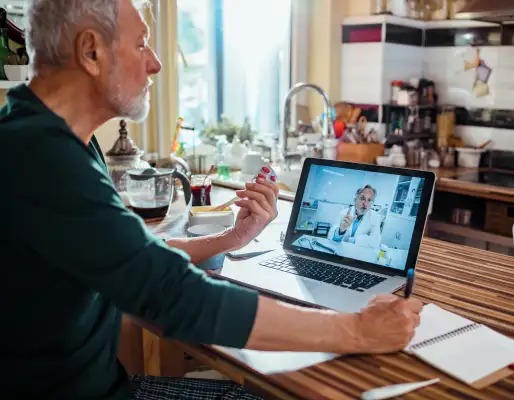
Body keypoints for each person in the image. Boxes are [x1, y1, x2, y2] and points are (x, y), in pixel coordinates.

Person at [0, 1, 423, 399]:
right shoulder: (41, 156)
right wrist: (358, 331)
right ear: (91, 51)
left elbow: (133, 258)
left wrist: (230, 239)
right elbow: (168, 294)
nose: (156, 63)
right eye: (142, 43)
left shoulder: (61, 140)